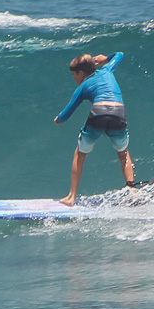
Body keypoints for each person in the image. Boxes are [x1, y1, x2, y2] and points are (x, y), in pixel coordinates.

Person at [52, 51, 133, 205]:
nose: (74, 78)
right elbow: (120, 55)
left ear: (81, 73)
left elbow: (67, 112)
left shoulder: (82, 87)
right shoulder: (107, 70)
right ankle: (133, 190)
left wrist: (58, 120)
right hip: (118, 113)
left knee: (80, 154)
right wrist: (105, 58)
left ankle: (71, 196)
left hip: (99, 113)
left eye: (74, 74)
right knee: (123, 153)